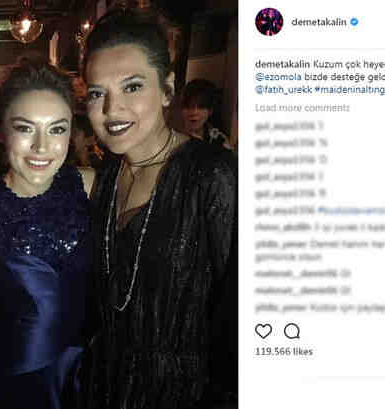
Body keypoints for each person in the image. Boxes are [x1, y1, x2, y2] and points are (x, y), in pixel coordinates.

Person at [81, 8, 238, 409]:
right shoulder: (105, 177)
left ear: (167, 89)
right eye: (97, 93)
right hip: (104, 387)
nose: (111, 109)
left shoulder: (212, 175)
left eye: (132, 87)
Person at [0, 61, 95, 409]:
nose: (41, 146)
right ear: (0, 129)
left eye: (57, 129)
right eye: (24, 128)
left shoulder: (93, 186)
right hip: (19, 383)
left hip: (92, 374)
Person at [179, 78, 233, 150]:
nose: (194, 112)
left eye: (201, 107)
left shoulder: (220, 140)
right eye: (188, 106)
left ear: (210, 111)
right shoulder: (173, 137)